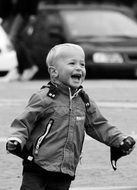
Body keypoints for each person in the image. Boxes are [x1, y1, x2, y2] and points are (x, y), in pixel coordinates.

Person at [6, 43, 136, 190]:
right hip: (37, 165)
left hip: (66, 169)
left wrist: (120, 139)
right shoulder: (44, 98)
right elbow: (24, 121)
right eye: (72, 63)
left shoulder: (85, 101)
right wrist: (16, 139)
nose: (79, 68)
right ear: (54, 72)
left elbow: (99, 125)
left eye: (82, 64)